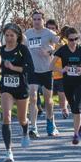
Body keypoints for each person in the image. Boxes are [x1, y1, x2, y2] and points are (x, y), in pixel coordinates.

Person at [0, 23, 34, 162]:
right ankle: (8, 152)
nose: (9, 38)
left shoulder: (22, 49)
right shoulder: (1, 50)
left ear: (18, 36)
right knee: (6, 117)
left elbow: (30, 68)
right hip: (6, 87)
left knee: (21, 119)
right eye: (6, 35)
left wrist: (13, 67)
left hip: (21, 87)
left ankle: (25, 130)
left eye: (12, 35)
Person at [24, 10, 60, 138]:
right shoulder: (27, 34)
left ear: (43, 20)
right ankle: (33, 127)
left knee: (48, 101)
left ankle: (51, 123)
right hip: (33, 70)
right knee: (32, 96)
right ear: (32, 20)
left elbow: (60, 45)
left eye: (39, 19)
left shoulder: (49, 33)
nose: (37, 21)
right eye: (34, 19)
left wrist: (50, 51)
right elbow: (22, 48)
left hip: (46, 70)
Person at [52, 28, 81, 145]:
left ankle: (75, 134)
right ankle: (80, 124)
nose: (73, 42)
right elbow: (50, 66)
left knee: (77, 108)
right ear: (67, 39)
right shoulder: (62, 50)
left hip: (80, 82)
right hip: (67, 83)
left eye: (75, 39)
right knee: (73, 108)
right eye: (71, 39)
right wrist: (62, 69)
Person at [46, 19, 69, 120]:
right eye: (49, 28)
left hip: (60, 72)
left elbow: (64, 48)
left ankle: (64, 109)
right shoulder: (43, 41)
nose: (51, 30)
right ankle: (45, 112)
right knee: (48, 97)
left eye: (53, 28)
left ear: (57, 30)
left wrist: (52, 50)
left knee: (61, 94)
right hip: (47, 73)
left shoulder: (61, 41)